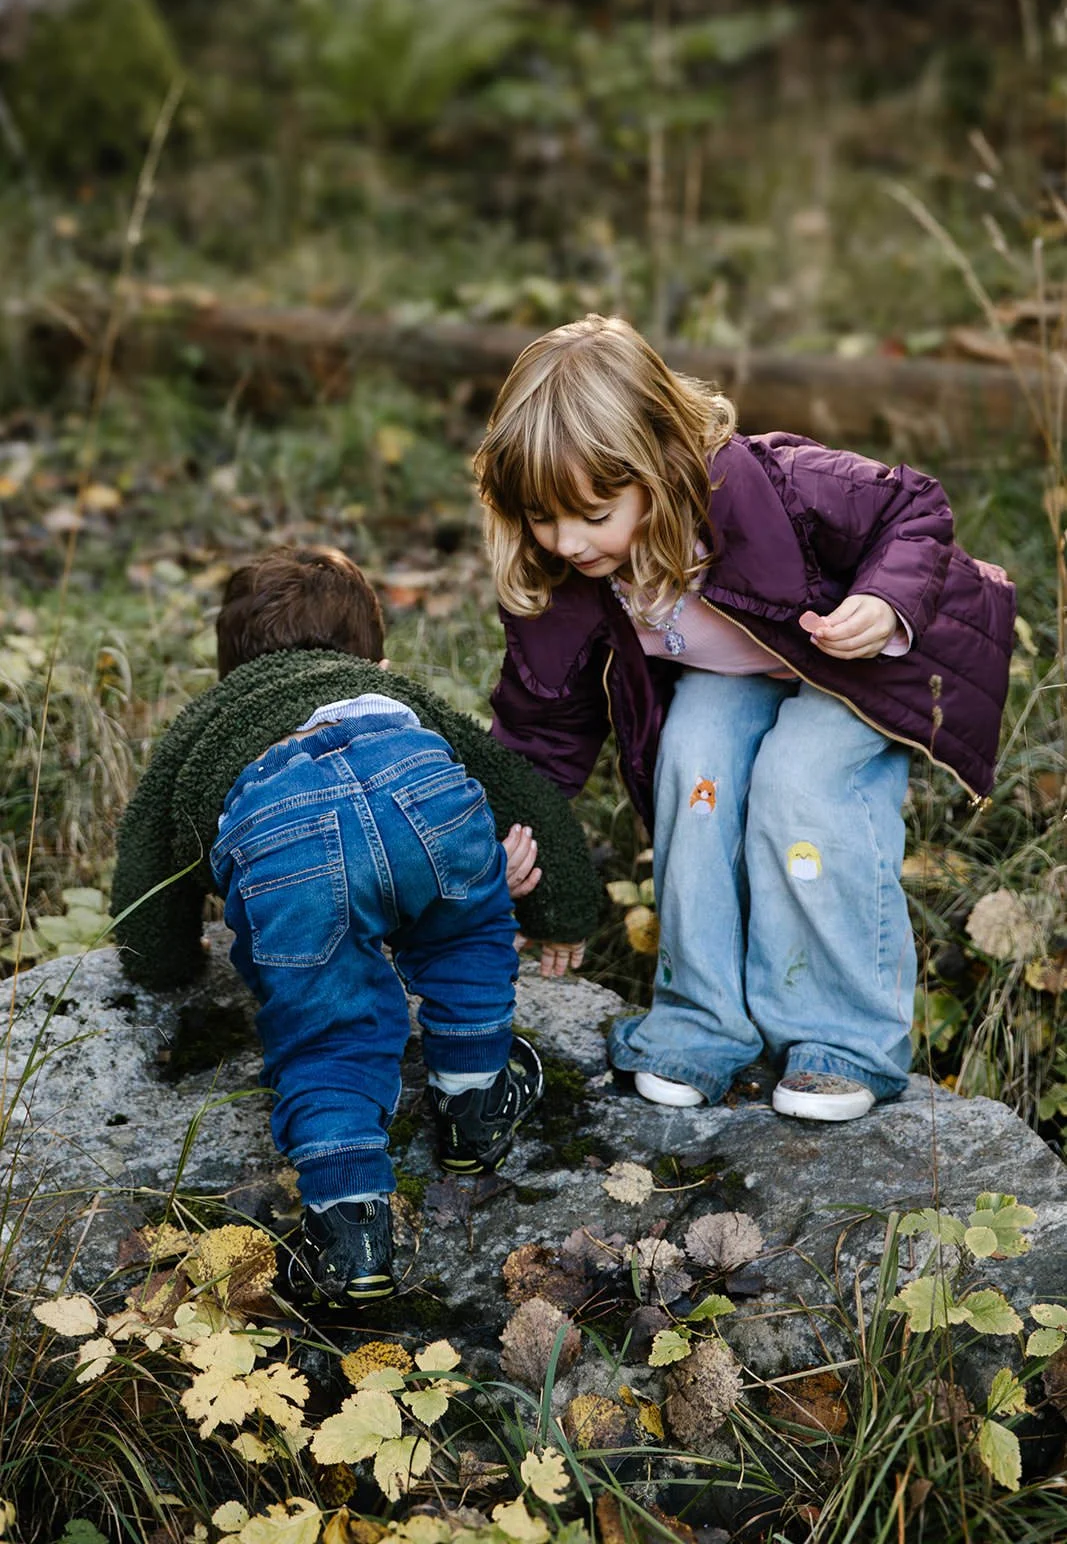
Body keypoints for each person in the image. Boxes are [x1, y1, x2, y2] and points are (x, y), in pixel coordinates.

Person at [475, 314, 1016, 1123]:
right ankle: (700, 1019)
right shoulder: (562, 578)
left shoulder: (781, 484)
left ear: (658, 464)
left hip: (857, 659)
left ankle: (842, 1037)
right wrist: (505, 853)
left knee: (799, 782)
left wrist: (881, 601)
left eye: (591, 513)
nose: (566, 542)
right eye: (542, 517)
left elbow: (912, 506)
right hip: (739, 671)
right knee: (692, 762)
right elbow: (538, 731)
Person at [111, 545, 600, 1306]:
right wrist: (560, 909)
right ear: (375, 660)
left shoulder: (208, 719)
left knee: (326, 1030)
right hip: (416, 788)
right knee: (464, 937)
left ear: (228, 668)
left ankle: (352, 1237)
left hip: (284, 834)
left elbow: (146, 855)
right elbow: (515, 782)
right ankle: (473, 1105)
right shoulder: (390, 692)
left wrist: (161, 960)